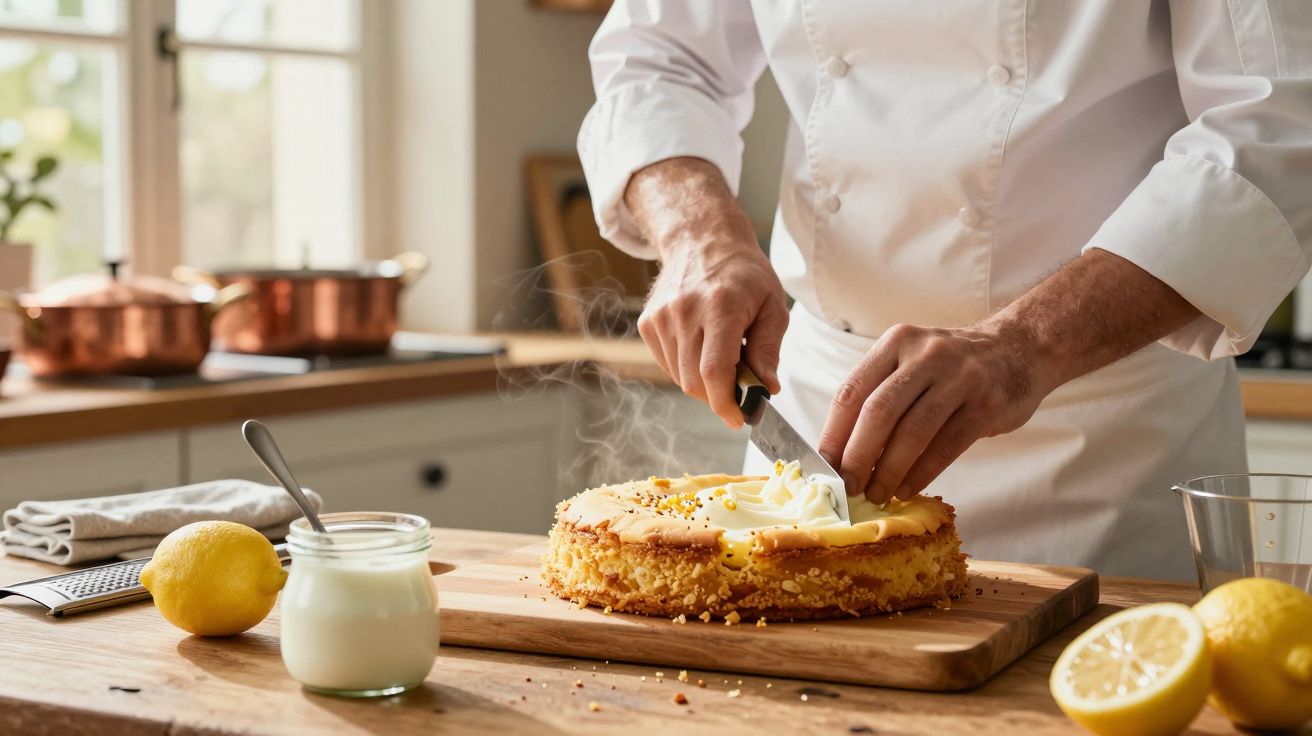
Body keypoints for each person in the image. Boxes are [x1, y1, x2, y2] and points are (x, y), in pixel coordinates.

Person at [576, 2, 1312, 580]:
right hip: (820, 432)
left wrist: (1021, 347)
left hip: (1099, 446)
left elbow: (1277, 128)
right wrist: (701, 238)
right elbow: (656, 60)